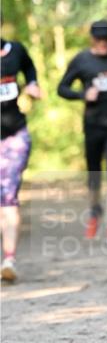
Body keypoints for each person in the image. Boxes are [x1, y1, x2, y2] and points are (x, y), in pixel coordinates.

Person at [57, 20, 107, 246]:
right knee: (94, 172)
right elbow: (61, 88)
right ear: (92, 39)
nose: (103, 43)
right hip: (93, 124)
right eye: (99, 39)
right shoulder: (81, 60)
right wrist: (83, 94)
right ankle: (95, 209)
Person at [1, 36, 42, 282]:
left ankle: (9, 259)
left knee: (7, 195)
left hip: (14, 135)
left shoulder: (15, 50)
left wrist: (32, 83)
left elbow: (28, 66)